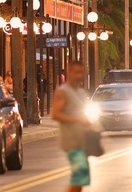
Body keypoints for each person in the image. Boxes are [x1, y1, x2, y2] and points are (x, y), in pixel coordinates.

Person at [51, 61, 91, 192]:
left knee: (81, 178)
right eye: (76, 72)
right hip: (71, 141)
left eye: (81, 72)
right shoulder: (63, 92)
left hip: (81, 141)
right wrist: (78, 120)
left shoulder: (80, 92)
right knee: (80, 176)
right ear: (69, 72)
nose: (79, 75)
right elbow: (55, 114)